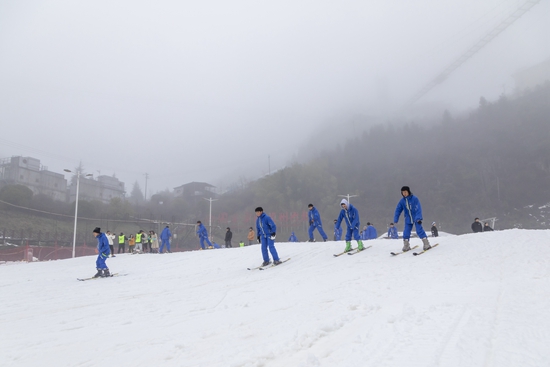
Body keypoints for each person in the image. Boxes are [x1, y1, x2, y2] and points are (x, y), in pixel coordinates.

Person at [394, 186, 431, 252]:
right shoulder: (402, 201)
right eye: (403, 192)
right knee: (406, 231)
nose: (404, 193)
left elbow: (418, 208)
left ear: (408, 191)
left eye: (405, 192)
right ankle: (406, 245)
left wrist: (418, 217)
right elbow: (398, 210)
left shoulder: (414, 198)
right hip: (408, 218)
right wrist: (396, 219)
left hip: (416, 217)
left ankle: (426, 243)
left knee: (419, 230)